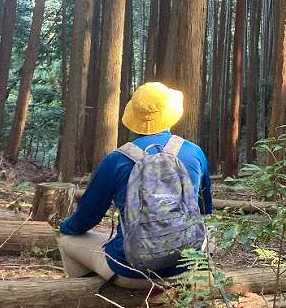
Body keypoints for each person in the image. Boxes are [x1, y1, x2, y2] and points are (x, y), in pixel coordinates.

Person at [58, 81, 212, 289]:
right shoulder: (194, 152)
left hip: (131, 272)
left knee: (67, 241)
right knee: (208, 235)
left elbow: (86, 219)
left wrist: (65, 226)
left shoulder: (115, 160)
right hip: (188, 266)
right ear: (170, 115)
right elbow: (203, 210)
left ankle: (87, 298)